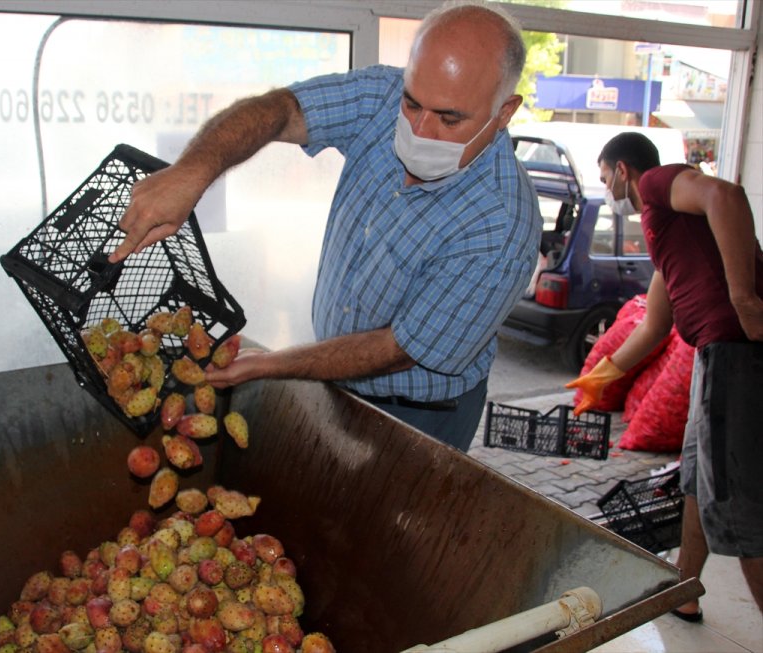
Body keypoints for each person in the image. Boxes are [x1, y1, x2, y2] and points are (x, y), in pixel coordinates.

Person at [110, 0, 541, 451]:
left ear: (504, 111)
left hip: (418, 413)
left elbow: (395, 350)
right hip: (339, 380)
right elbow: (281, 110)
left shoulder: (500, 225)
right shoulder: (382, 96)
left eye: (450, 118)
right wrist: (192, 172)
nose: (419, 129)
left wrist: (273, 365)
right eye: (413, 104)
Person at [566, 132, 763, 619]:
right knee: (696, 479)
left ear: (623, 171)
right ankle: (684, 590)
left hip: (733, 351)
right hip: (713, 356)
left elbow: (727, 194)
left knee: (735, 508)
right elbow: (655, 326)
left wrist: (744, 299)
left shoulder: (655, 185)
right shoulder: (668, 228)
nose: (604, 184)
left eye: (603, 174)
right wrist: (600, 378)